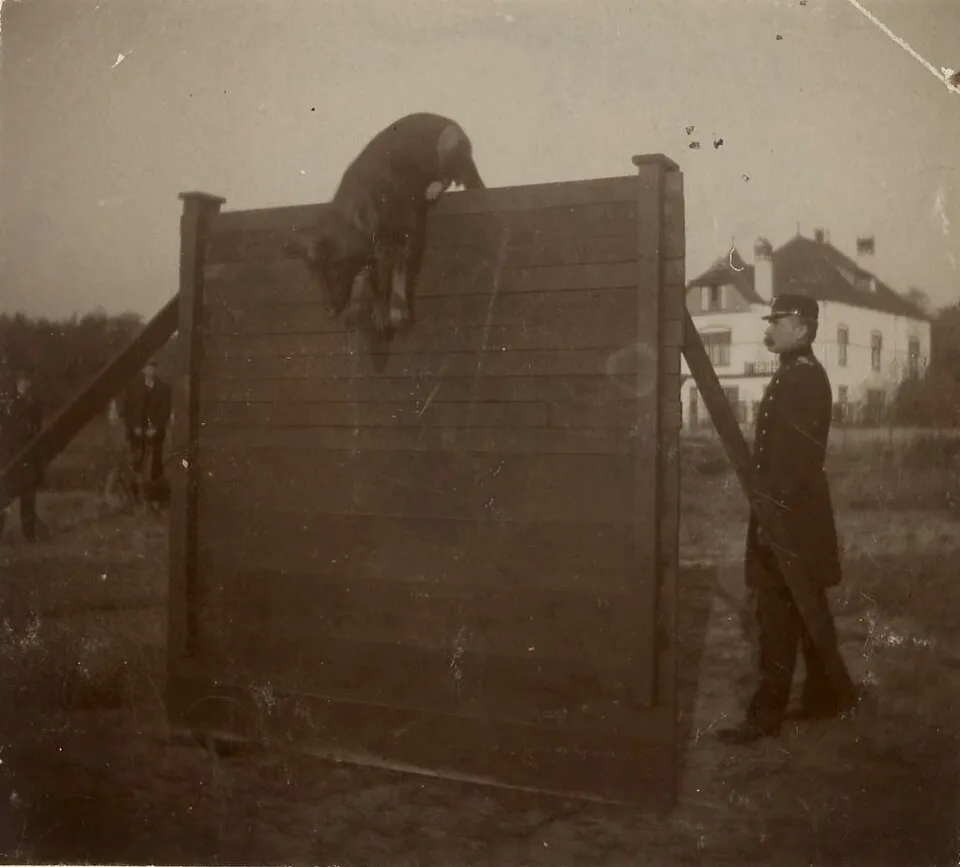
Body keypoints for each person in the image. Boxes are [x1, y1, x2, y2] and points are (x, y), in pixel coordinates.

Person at [717, 294, 853, 745]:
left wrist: (769, 520)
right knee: (805, 608)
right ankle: (829, 695)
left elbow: (792, 462)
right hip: (795, 515)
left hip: (791, 517)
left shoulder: (803, 380)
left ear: (803, 328)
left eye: (777, 321)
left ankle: (765, 715)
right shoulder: (794, 375)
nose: (768, 329)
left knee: (777, 612)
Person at [0, 367, 47, 541]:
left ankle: (29, 533)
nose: (25, 384)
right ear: (17, 383)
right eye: (21, 381)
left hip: (28, 455)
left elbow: (38, 427)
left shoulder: (33, 403)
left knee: (28, 495)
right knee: (3, 495)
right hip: (11, 455)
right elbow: (8, 429)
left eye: (27, 381)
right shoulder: (9, 403)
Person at [121, 359, 172, 505]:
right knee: (136, 462)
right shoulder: (132, 387)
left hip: (155, 433)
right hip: (137, 434)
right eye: (147, 367)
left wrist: (155, 427)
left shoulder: (164, 389)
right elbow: (127, 410)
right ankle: (135, 495)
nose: (150, 370)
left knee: (155, 463)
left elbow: (165, 411)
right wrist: (135, 426)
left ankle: (154, 497)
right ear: (142, 369)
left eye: (153, 367)